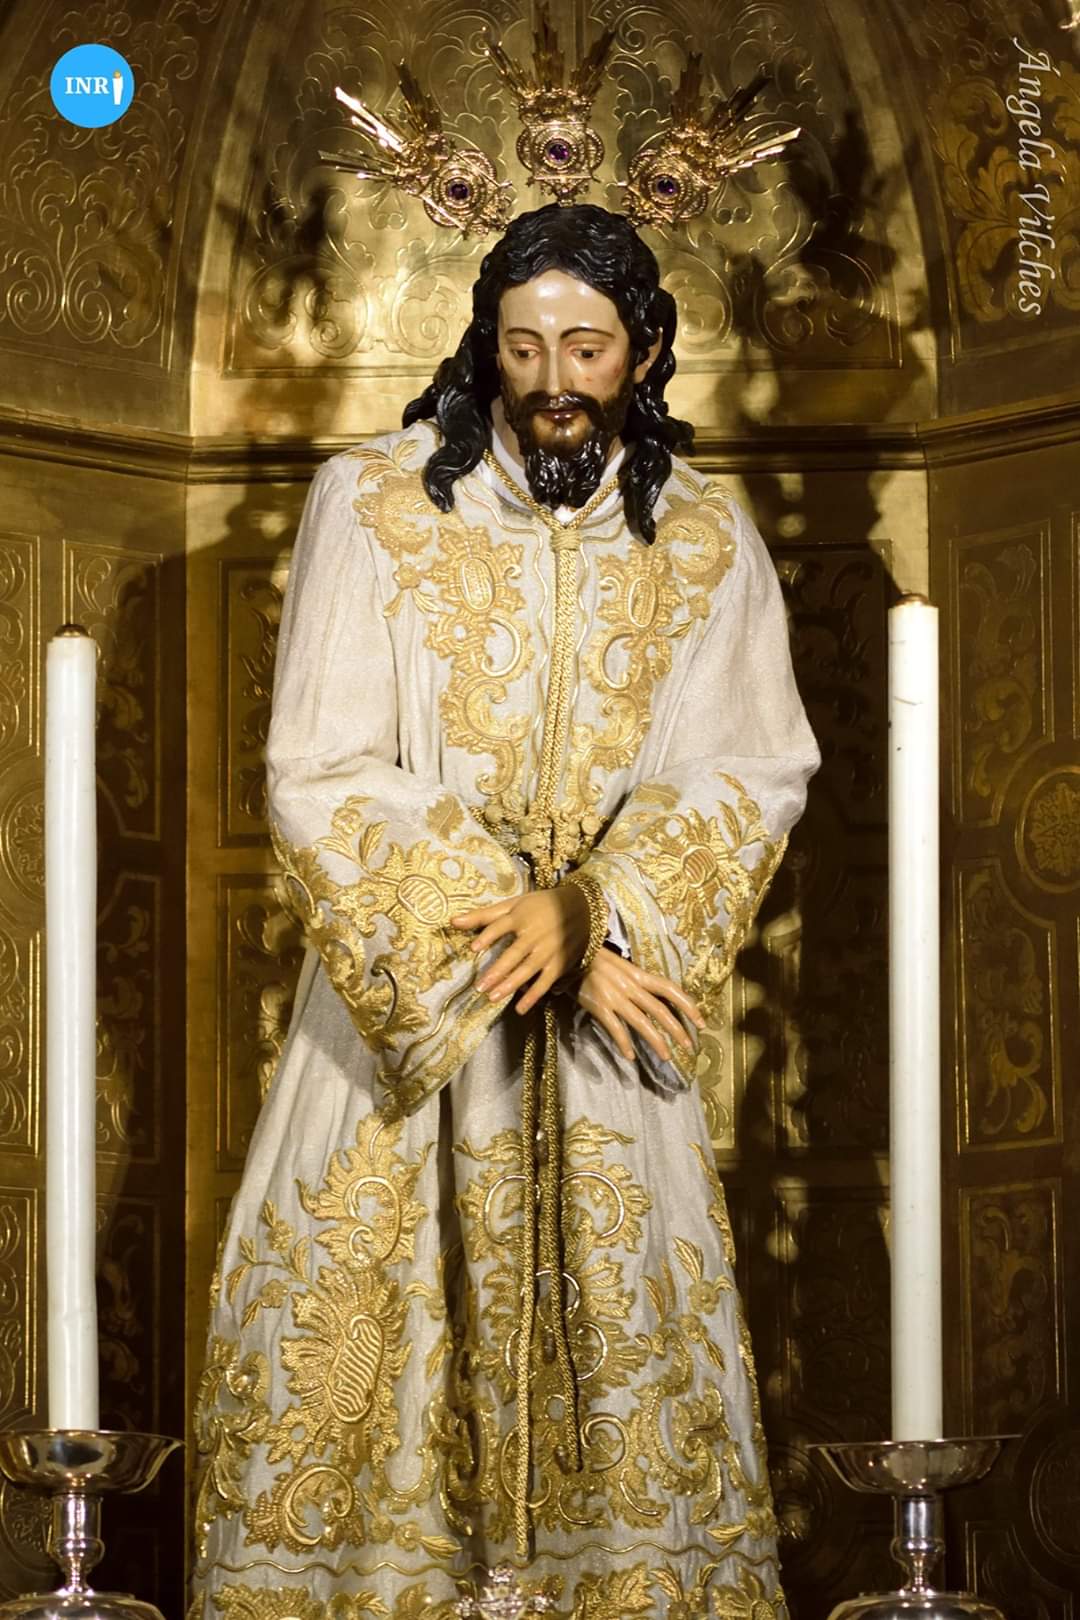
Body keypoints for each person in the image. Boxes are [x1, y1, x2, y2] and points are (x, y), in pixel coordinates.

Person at [190, 202, 819, 1620]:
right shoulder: (373, 504)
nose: (553, 381)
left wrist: (596, 912)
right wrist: (527, 932)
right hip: (403, 1033)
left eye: (585, 348)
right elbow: (320, 766)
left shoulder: (706, 540)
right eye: (523, 347)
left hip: (609, 1053)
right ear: (486, 344)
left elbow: (753, 764)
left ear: (642, 348)